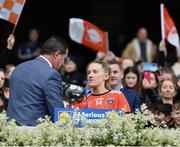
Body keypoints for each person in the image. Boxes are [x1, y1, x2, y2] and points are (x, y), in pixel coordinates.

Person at [7, 36, 68, 126]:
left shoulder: (18, 68)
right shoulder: (51, 74)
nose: (63, 63)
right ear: (57, 54)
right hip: (33, 133)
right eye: (64, 58)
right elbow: (58, 113)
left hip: (10, 129)